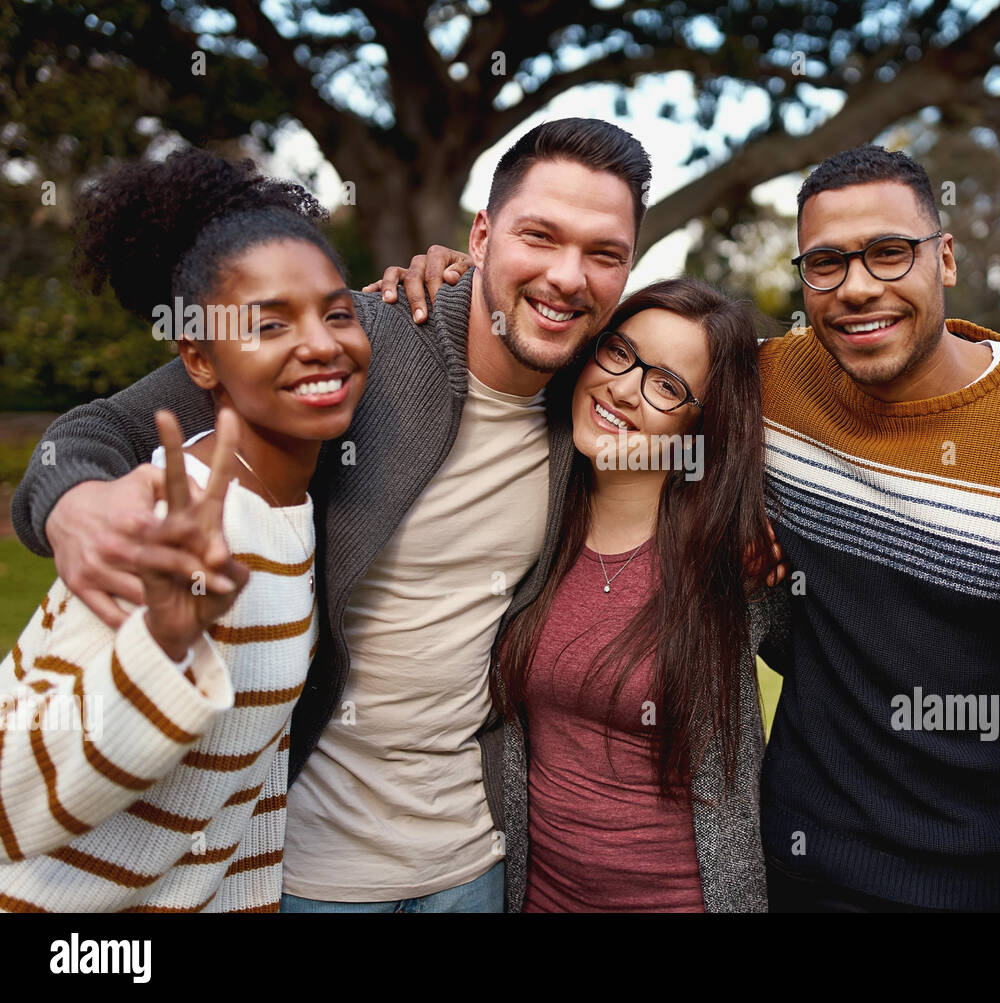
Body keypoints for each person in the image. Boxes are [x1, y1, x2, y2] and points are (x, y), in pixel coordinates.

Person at [371, 142, 1000, 915]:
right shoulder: (770, 381)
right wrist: (454, 281)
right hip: (804, 871)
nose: (857, 287)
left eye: (889, 253)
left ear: (944, 257)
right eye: (825, 263)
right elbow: (620, 349)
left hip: (993, 878)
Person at [10, 118, 651, 913]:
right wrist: (75, 506)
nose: (566, 276)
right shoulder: (359, 335)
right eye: (540, 236)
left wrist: (750, 529)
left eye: (604, 253)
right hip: (309, 868)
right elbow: (92, 432)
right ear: (482, 234)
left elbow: (716, 391)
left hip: (473, 863)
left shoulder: (601, 400)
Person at [0, 147, 369, 911]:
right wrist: (160, 648)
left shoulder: (292, 513)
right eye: (270, 323)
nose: (323, 342)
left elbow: (240, 802)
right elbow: (10, 793)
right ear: (198, 359)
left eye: (337, 311)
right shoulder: (165, 519)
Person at [492, 278, 777, 912]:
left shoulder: (738, 560)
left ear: (704, 420)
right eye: (619, 352)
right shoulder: (528, 509)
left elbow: (858, 643)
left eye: (668, 386)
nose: (624, 389)